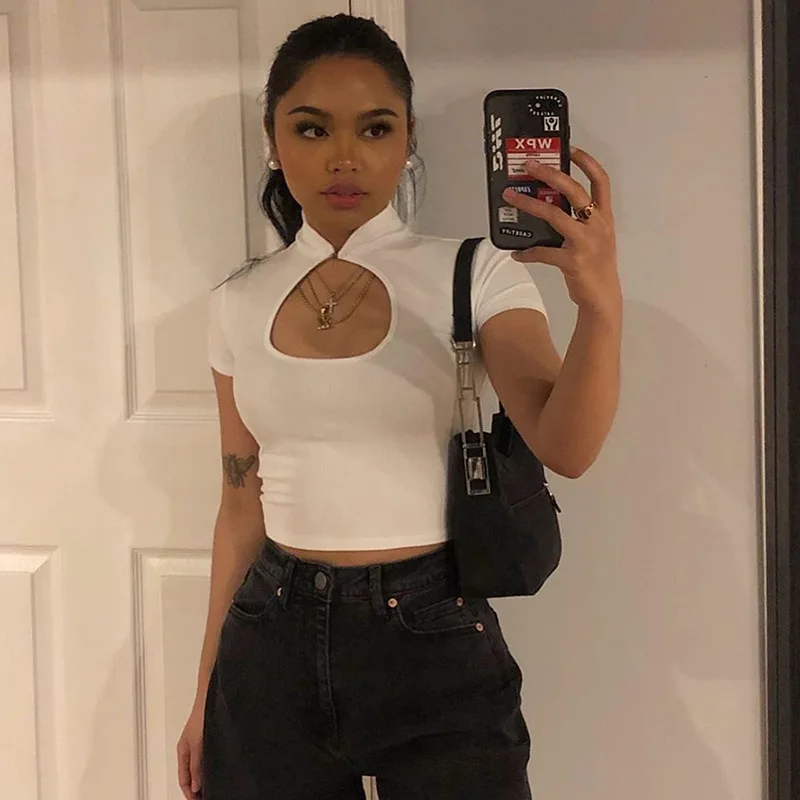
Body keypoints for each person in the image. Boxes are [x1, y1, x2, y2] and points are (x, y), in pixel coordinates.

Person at [177, 12, 621, 800]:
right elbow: (240, 504)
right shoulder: (236, 303)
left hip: (433, 635)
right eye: (311, 128)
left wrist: (600, 305)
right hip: (269, 638)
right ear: (273, 141)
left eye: (375, 128)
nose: (344, 156)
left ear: (407, 138)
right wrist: (205, 695)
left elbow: (569, 446)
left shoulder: (476, 273)